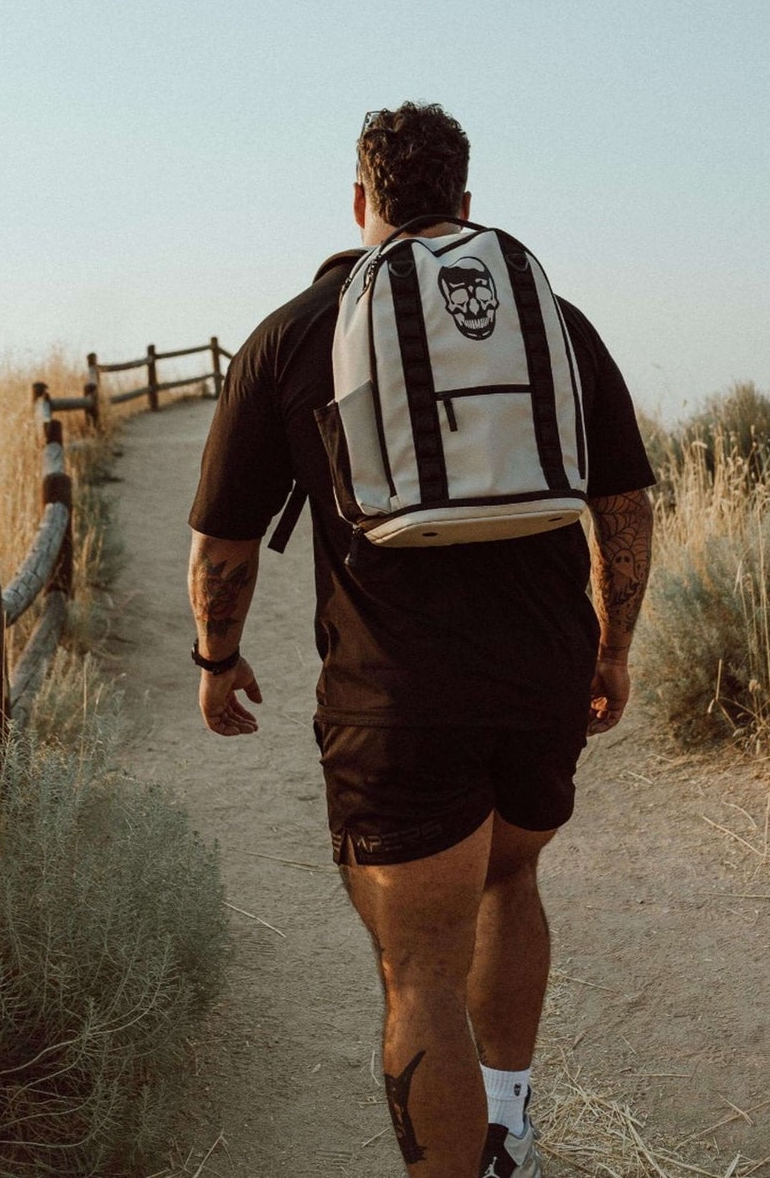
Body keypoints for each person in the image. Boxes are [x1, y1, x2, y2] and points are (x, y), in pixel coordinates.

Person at [187, 102, 655, 1177]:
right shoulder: (551, 320)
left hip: (396, 702)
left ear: (361, 201)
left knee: (419, 971)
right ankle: (509, 1127)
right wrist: (612, 647)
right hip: (543, 680)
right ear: (466, 202)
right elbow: (623, 506)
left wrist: (217, 658)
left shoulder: (295, 332)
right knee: (508, 882)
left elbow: (221, 543)